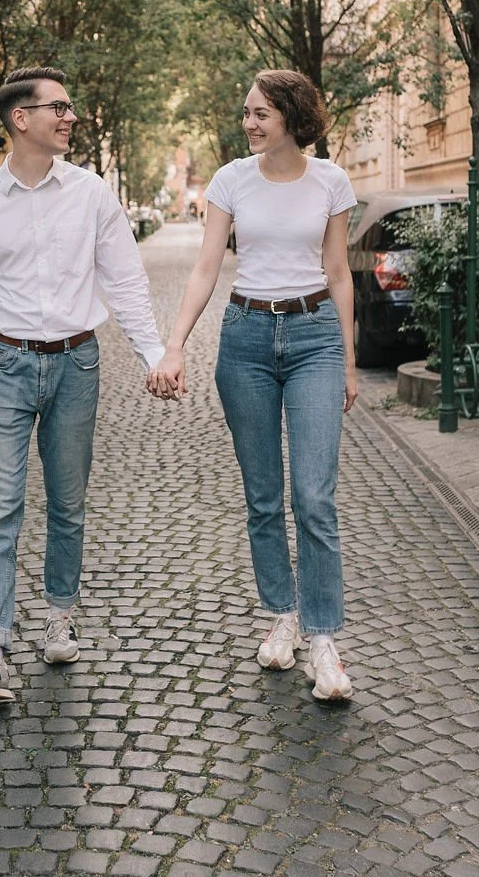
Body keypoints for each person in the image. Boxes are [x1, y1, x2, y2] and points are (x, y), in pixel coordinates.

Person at [0, 66, 166, 706]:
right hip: (5, 367)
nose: (69, 117)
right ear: (21, 119)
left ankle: (60, 616)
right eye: (58, 108)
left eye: (69, 108)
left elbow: (124, 280)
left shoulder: (91, 193)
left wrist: (152, 351)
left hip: (77, 365)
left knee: (67, 504)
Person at [148, 69, 358, 702]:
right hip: (243, 340)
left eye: (261, 112)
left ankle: (324, 640)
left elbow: (340, 272)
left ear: (293, 116)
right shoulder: (230, 180)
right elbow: (206, 266)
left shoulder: (331, 181)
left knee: (314, 497)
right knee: (264, 496)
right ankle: (282, 617)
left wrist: (348, 362)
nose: (250, 122)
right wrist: (176, 342)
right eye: (246, 112)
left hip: (316, 334)